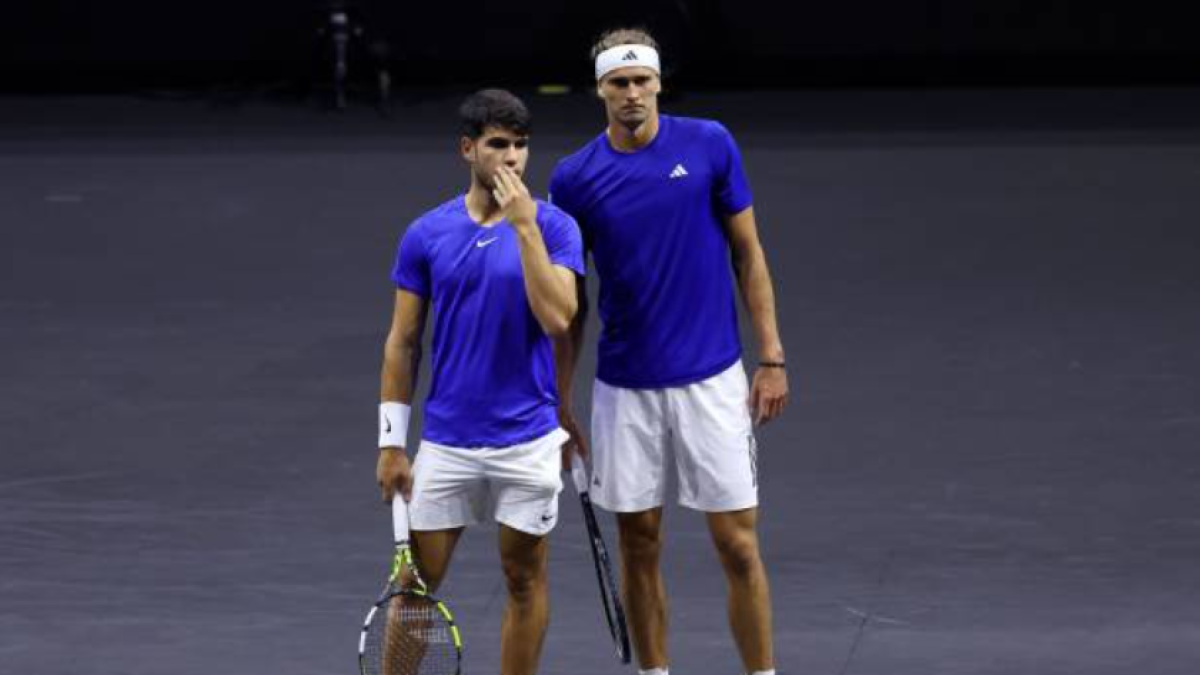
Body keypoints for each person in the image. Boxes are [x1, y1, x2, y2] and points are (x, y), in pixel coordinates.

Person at [548, 28, 789, 675]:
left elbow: (749, 254)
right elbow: (570, 305)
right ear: (600, 89)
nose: (632, 93)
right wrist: (559, 400)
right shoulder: (573, 178)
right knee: (639, 543)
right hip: (623, 389)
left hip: (713, 381)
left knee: (738, 544)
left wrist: (771, 356)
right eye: (618, 83)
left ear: (658, 83)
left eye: (641, 81)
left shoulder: (710, 144)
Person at [376, 88, 583, 675]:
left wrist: (525, 229)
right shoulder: (426, 234)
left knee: (524, 580)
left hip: (528, 440)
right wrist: (391, 442)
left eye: (521, 145)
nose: (512, 157)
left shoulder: (556, 228)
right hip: (448, 442)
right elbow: (403, 343)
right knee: (415, 588)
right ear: (468, 149)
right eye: (498, 144)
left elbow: (559, 318)